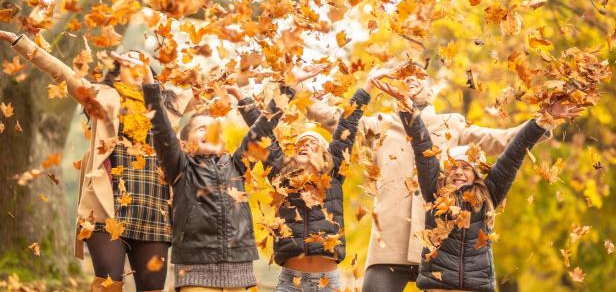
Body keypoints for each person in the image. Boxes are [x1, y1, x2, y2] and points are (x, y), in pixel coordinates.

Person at [298, 64, 551, 291]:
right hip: (390, 240)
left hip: (442, 247)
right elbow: (338, 119)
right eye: (404, 77)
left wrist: (546, 120)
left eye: (419, 76)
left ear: (431, 91)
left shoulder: (452, 124)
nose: (410, 79)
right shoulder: (381, 124)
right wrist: (295, 86)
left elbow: (502, 141)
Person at [0, 30, 192, 292]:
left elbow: (207, 86)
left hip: (154, 206)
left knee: (152, 287)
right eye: (127, 61)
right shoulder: (99, 94)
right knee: (108, 284)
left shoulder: (168, 105)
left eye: (140, 61)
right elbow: (61, 71)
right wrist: (19, 41)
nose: (134, 64)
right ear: (115, 70)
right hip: (105, 205)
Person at [376, 79, 582, 292]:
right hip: (439, 287)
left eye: (466, 168)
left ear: (475, 174)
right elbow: (422, 146)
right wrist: (406, 107)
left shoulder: (488, 195)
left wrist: (545, 119)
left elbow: (515, 152)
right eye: (453, 167)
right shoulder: (435, 193)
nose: (458, 171)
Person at [143, 63, 324, 291]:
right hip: (195, 266)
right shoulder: (180, 167)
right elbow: (161, 129)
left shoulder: (237, 165)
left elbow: (263, 127)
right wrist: (149, 84)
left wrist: (288, 86)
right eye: (201, 128)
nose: (209, 131)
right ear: (185, 144)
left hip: (239, 266)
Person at [247, 72, 375, 292]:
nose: (304, 145)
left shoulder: (333, 172)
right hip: (290, 281)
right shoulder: (282, 175)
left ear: (326, 153)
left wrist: (368, 86)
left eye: (312, 143)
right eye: (300, 145)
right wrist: (285, 90)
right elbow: (261, 132)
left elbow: (348, 124)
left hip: (327, 282)